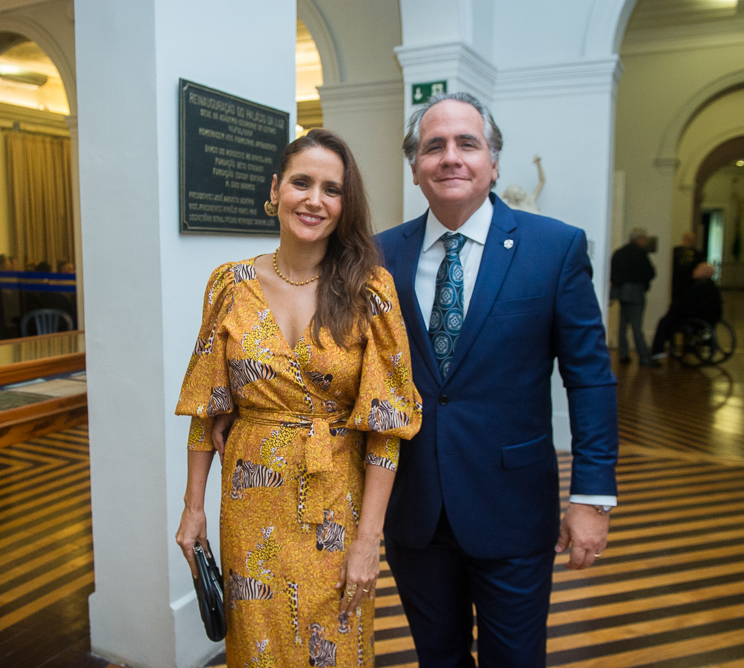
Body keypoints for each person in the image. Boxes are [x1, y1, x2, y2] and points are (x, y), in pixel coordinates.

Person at [376, 92, 618, 667]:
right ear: (415, 168)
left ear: (494, 161)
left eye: (467, 143)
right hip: (415, 510)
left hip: (512, 510)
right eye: (434, 146)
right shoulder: (381, 254)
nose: (450, 157)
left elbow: (590, 380)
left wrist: (592, 498)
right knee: (439, 658)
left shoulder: (553, 248)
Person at [174, 128, 422, 667]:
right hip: (250, 499)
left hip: (335, 496)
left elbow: (387, 424)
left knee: (334, 645)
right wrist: (193, 508)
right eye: (301, 183)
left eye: (331, 189)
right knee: (257, 646)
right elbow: (206, 404)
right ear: (276, 189)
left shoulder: (369, 288)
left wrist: (367, 540)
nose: (314, 200)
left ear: (344, 203)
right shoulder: (229, 285)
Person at [651, 263, 722, 356]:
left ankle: (657, 350)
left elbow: (690, 306)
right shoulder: (709, 287)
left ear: (704, 273)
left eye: (697, 269)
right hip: (703, 318)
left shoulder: (701, 288)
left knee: (665, 322)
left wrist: (673, 309)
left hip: (694, 320)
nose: (694, 270)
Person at [610, 228, 658, 367]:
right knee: (637, 326)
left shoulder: (619, 253)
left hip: (621, 292)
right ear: (639, 239)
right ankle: (644, 357)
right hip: (636, 292)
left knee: (623, 325)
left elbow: (613, 274)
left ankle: (623, 355)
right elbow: (649, 274)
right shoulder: (641, 254)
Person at [671, 231, 701, 306]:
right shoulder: (675, 251)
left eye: (691, 239)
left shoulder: (697, 254)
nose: (689, 241)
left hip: (691, 284)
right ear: (683, 239)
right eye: (688, 239)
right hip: (676, 283)